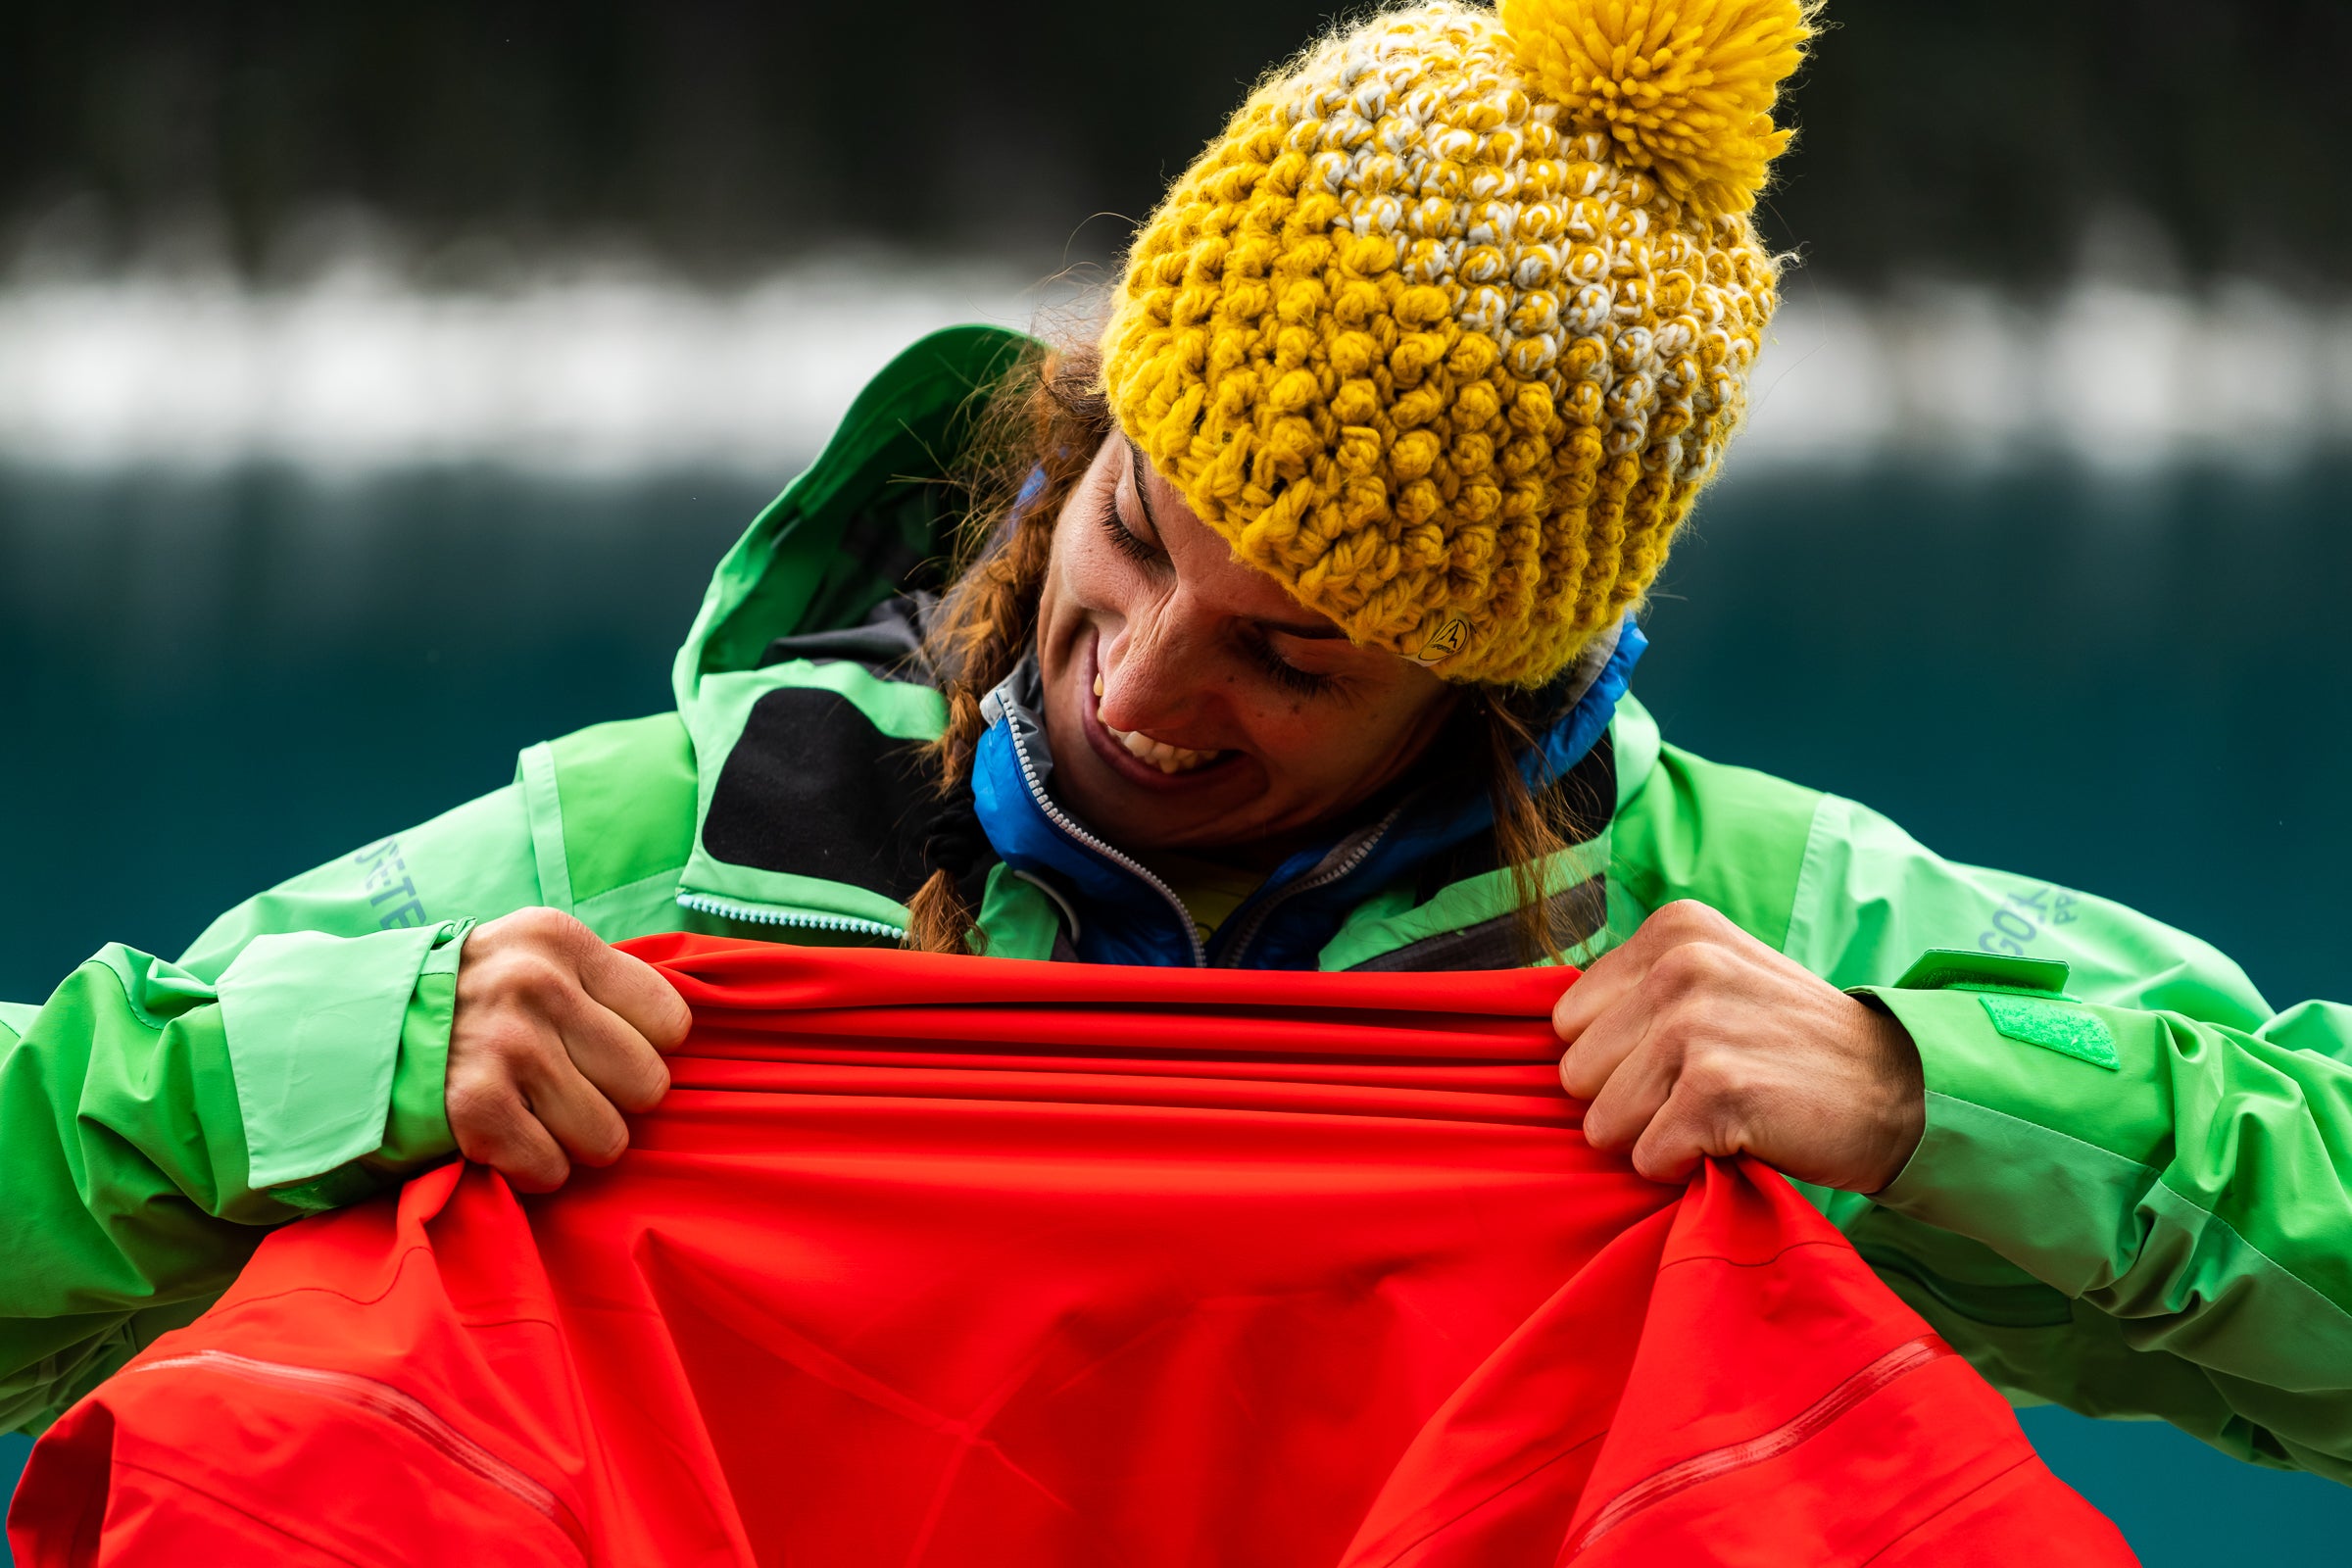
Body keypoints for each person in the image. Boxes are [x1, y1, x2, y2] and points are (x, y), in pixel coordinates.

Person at [5, 0, 2349, 1489]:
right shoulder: (656, 871)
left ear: (1497, 684)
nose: (1135, 683)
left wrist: (1932, 1096)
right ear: (1083, 432)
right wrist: (302, 1071)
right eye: (1135, 528)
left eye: (1292, 659)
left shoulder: (1728, 951)